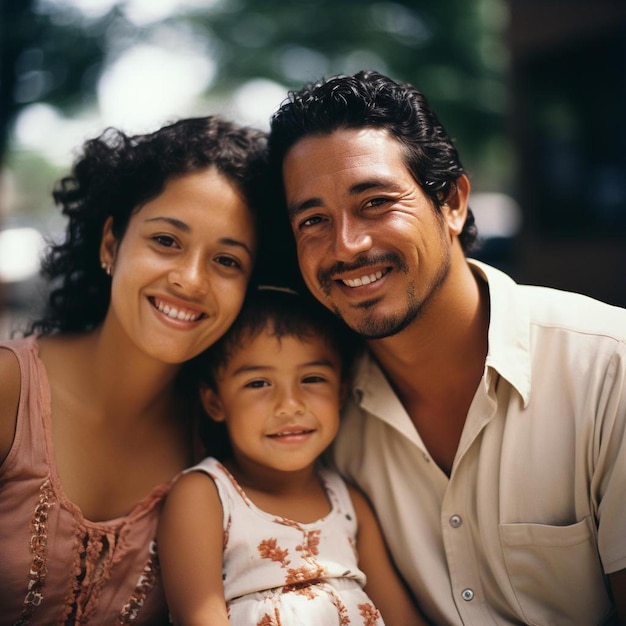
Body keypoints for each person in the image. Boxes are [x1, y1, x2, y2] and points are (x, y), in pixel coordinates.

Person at [265, 70, 626, 625]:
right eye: (313, 220)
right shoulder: (311, 409)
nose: (347, 245)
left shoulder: (608, 368)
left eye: (376, 202)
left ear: (453, 202)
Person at [0, 115, 268, 624]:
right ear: (110, 244)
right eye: (167, 241)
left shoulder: (216, 441)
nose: (190, 280)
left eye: (227, 261)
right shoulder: (9, 391)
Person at [157, 287, 428, 625]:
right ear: (215, 402)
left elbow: (402, 617)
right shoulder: (206, 495)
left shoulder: (348, 503)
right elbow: (197, 617)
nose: (290, 404)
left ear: (341, 393)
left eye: (312, 379)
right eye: (258, 383)